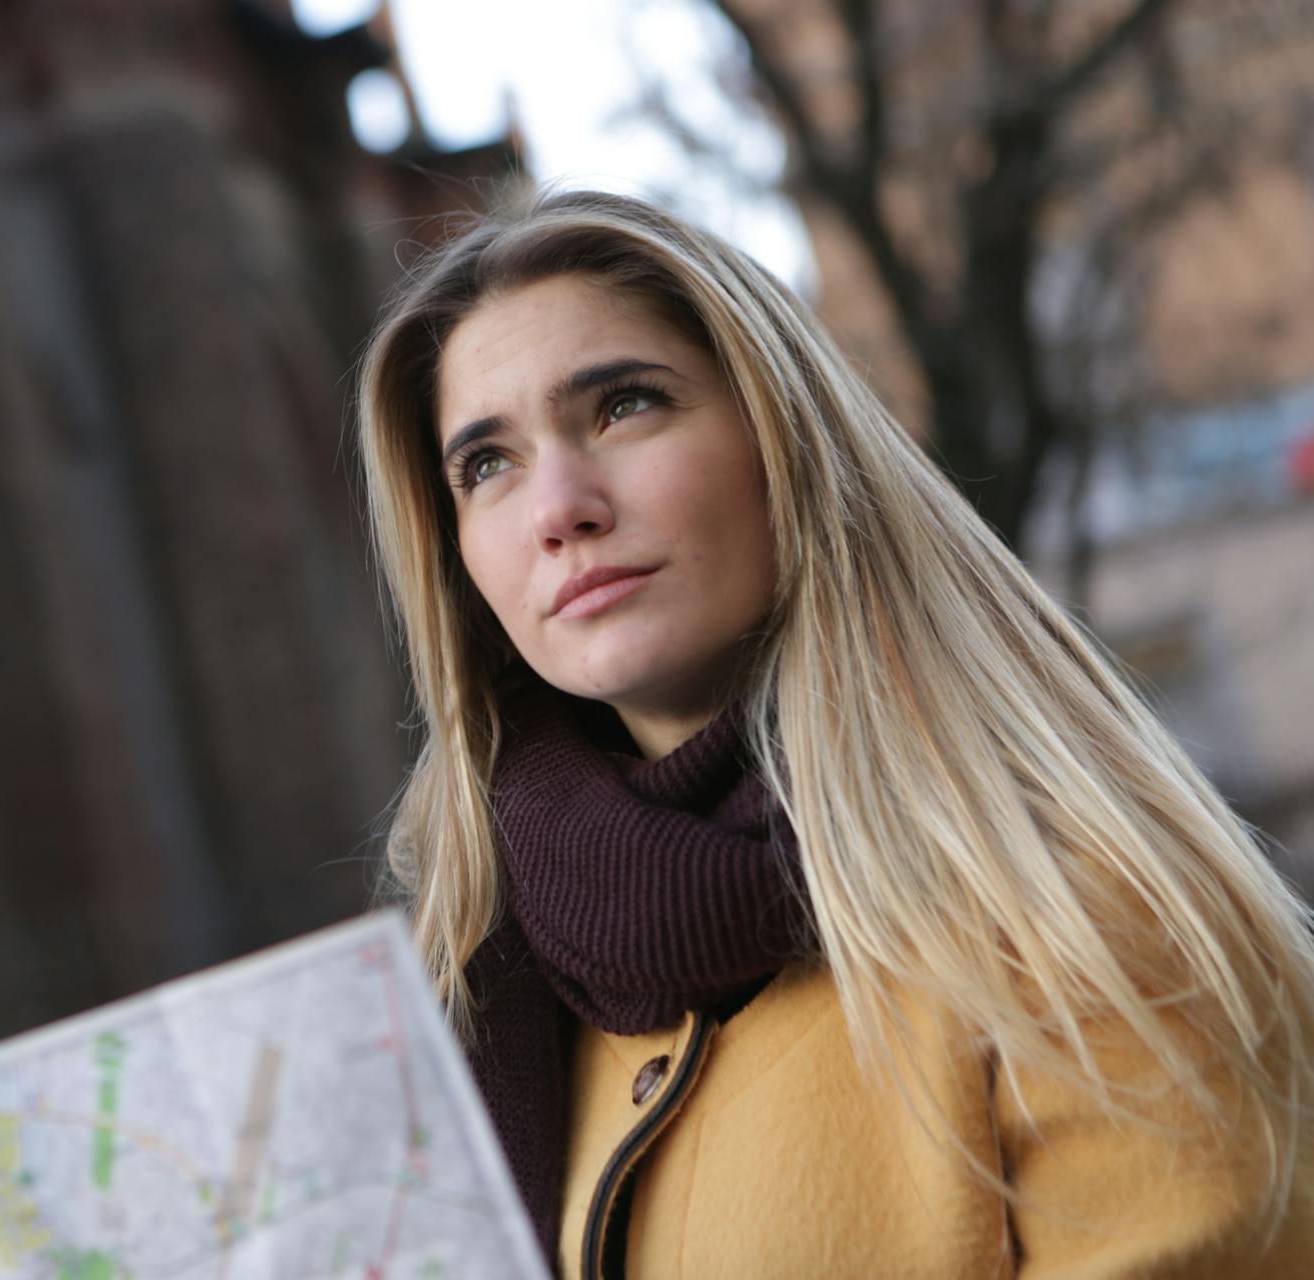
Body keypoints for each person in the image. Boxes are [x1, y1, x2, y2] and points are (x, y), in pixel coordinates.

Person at [355, 189, 1314, 1277]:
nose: (558, 507)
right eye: (487, 465)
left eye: (624, 405)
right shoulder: (476, 995)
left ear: (785, 442)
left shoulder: (1076, 914)